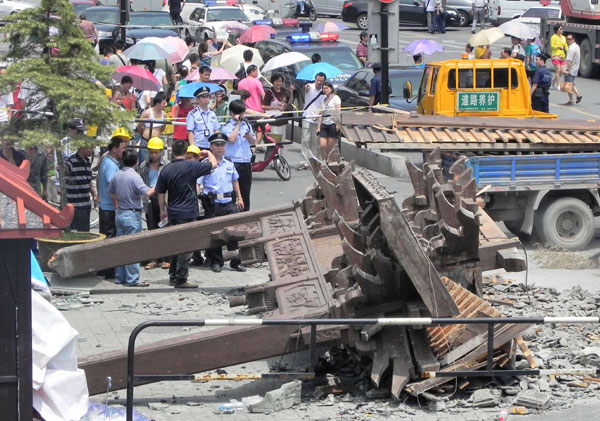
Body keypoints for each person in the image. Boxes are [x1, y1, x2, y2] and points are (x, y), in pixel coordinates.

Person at [156, 139, 217, 288]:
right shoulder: (191, 166)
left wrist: (163, 211)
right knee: (186, 246)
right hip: (188, 212)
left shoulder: (166, 169)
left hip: (173, 212)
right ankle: (181, 278)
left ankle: (173, 275)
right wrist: (208, 152)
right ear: (185, 152)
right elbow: (214, 164)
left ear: (172, 152)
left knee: (175, 244)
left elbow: (160, 193)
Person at [198, 133, 245, 273]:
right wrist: (199, 198)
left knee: (234, 232)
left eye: (222, 145)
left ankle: (236, 261)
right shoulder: (205, 165)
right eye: (217, 145)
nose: (220, 148)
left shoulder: (229, 164)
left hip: (228, 202)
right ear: (211, 147)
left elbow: (235, 181)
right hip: (213, 203)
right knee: (216, 234)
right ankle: (217, 261)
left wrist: (239, 198)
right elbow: (198, 183)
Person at [108, 149, 154, 287]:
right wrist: (158, 185)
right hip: (132, 214)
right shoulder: (135, 177)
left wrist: (117, 205)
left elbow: (110, 191)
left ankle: (120, 276)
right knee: (133, 248)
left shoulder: (117, 175)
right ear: (136, 161)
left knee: (120, 247)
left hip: (120, 212)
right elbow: (147, 192)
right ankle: (133, 279)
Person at [97, 136, 127, 278]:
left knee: (106, 236)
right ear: (114, 149)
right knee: (110, 237)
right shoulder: (110, 165)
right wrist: (117, 206)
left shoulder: (109, 161)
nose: (124, 151)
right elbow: (111, 187)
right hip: (109, 207)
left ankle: (104, 268)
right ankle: (108, 270)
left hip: (106, 205)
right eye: (123, 148)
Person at [138, 137, 168, 270]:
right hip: (149, 200)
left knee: (165, 229)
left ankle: (167, 258)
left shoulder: (166, 165)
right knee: (152, 229)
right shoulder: (143, 166)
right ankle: (154, 258)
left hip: (163, 199)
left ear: (161, 152)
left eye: (156, 152)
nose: (154, 155)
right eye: (151, 152)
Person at [221, 100, 256, 212]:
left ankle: (245, 213)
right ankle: (231, 213)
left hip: (245, 161)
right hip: (233, 161)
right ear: (232, 113)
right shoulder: (227, 126)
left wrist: (249, 137)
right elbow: (231, 139)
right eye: (239, 113)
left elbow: (254, 141)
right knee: (232, 191)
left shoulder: (247, 125)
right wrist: (238, 125)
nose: (241, 116)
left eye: (242, 113)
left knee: (246, 191)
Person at [64, 146, 97, 232]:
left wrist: (94, 195)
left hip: (86, 204)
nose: (92, 150)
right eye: (90, 148)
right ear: (82, 148)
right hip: (75, 206)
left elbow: (89, 181)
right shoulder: (70, 162)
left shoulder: (87, 162)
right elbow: (62, 175)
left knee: (85, 231)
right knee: (77, 233)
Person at [301, 72, 325, 159]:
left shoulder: (325, 91)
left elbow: (324, 106)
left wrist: (318, 115)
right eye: (317, 80)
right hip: (307, 117)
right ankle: (305, 160)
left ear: (324, 81)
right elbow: (305, 90)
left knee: (316, 141)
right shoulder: (309, 86)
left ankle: (315, 160)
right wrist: (305, 89)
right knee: (305, 139)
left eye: (321, 81)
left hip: (318, 119)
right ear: (315, 79)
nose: (318, 82)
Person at [317, 82, 341, 161]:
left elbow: (338, 111)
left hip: (332, 124)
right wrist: (318, 127)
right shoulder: (323, 100)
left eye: (327, 88)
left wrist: (337, 124)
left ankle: (331, 161)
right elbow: (321, 114)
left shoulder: (336, 98)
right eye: (324, 88)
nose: (325, 90)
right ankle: (324, 161)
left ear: (331, 89)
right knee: (322, 146)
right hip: (324, 125)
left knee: (331, 147)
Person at [137, 91, 167, 156]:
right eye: (163, 103)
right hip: (146, 140)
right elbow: (139, 126)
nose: (165, 105)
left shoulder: (164, 114)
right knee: (144, 161)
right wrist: (143, 134)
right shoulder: (147, 113)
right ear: (158, 103)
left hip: (157, 142)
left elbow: (163, 128)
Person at [262, 73, 290, 140]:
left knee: (282, 139)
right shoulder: (269, 92)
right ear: (273, 82)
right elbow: (263, 106)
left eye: (280, 81)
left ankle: (280, 151)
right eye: (276, 81)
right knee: (275, 139)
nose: (278, 83)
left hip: (282, 119)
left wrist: (291, 92)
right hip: (273, 120)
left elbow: (289, 102)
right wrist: (276, 107)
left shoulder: (284, 91)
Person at [564, 34, 583, 105]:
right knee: (571, 83)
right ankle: (578, 95)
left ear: (573, 40)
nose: (568, 40)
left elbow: (569, 60)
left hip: (571, 69)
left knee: (568, 85)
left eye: (569, 39)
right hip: (575, 68)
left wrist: (567, 70)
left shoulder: (571, 48)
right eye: (567, 39)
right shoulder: (576, 46)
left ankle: (571, 100)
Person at [550, 24, 567, 90]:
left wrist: (569, 50)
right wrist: (558, 46)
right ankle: (558, 85)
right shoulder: (553, 37)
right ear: (557, 30)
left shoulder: (563, 37)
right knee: (558, 70)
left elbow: (565, 46)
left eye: (562, 29)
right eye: (560, 29)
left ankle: (553, 81)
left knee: (562, 71)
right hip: (555, 55)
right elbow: (552, 46)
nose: (562, 30)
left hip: (562, 56)